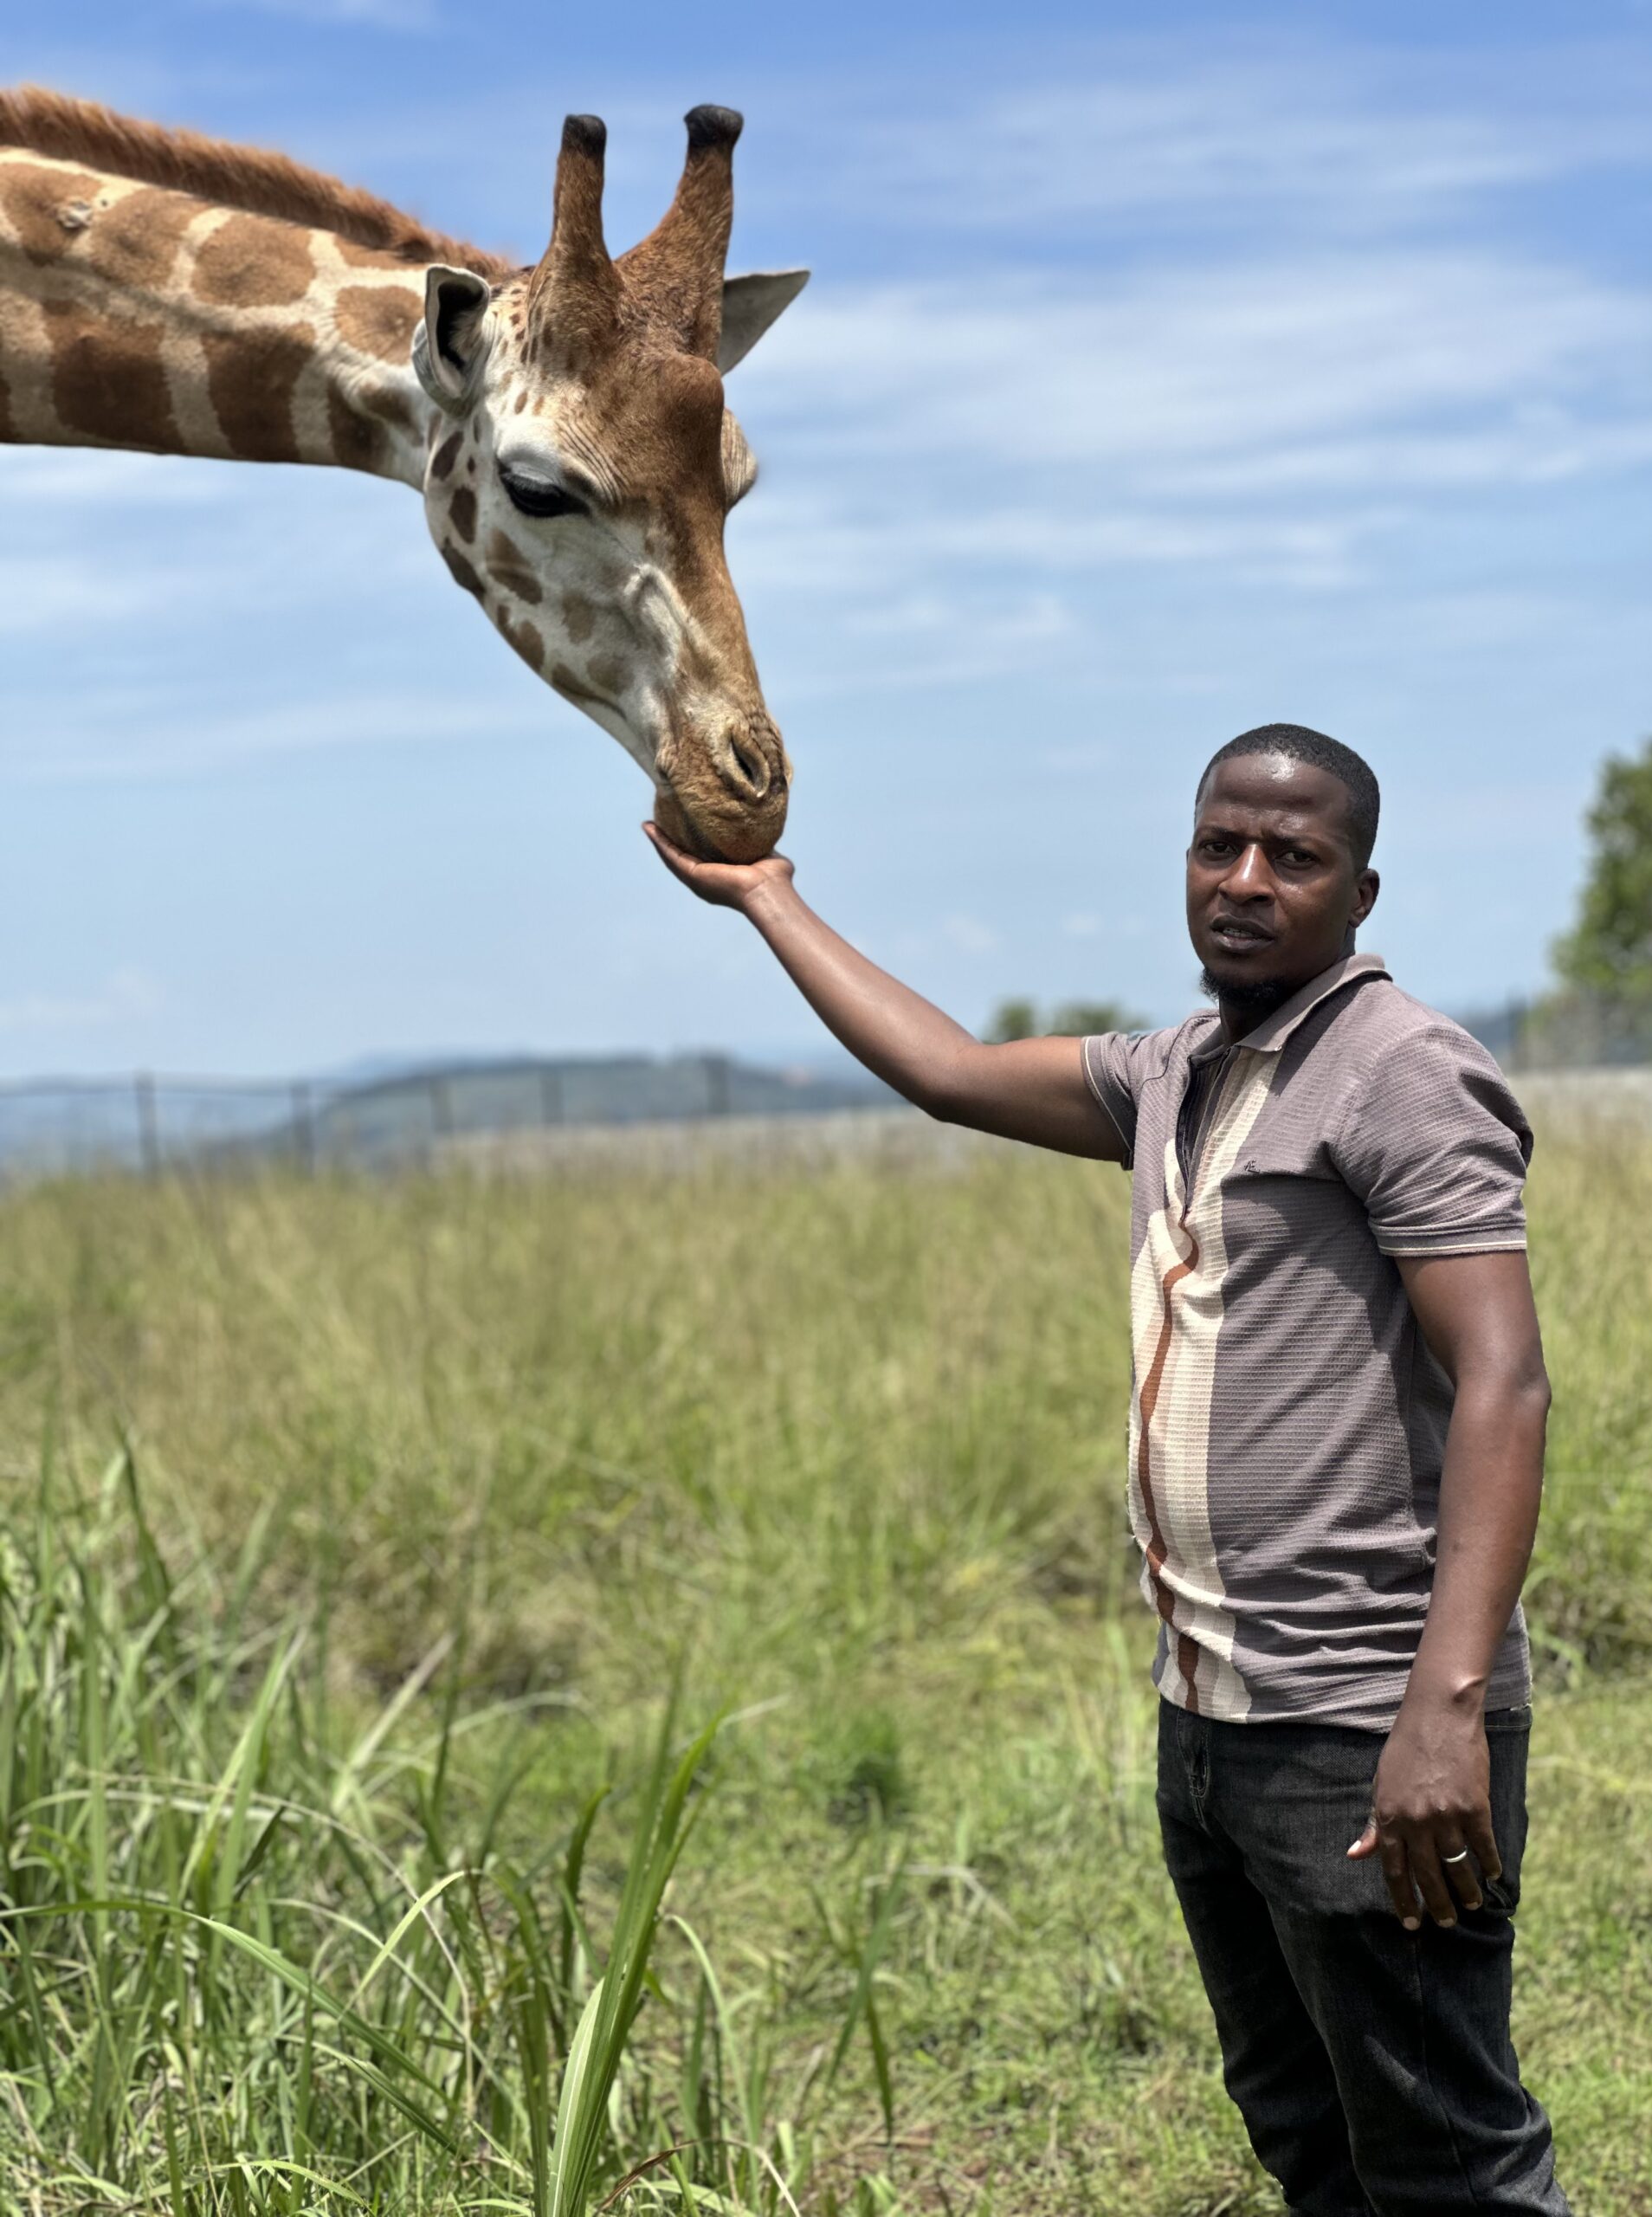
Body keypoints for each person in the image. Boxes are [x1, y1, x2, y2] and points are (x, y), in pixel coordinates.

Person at [646, 722, 1569, 2216]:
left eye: (1294, 856)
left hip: (1361, 1712)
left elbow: (1505, 1385)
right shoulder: (1177, 1073)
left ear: (1360, 893)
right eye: (1219, 845)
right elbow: (949, 1071)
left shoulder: (1401, 1071)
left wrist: (1445, 1711)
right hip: (1210, 1711)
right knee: (1305, 2128)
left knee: (1444, 2154)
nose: (1246, 880)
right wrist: (768, 897)